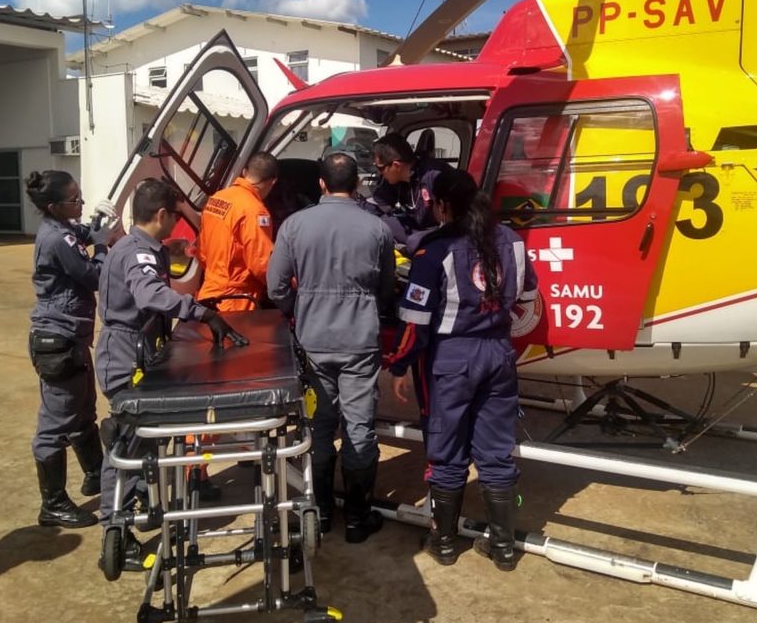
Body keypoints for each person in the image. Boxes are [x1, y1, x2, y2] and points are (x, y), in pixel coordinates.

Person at [386, 170, 538, 570]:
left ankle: (445, 544)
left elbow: (415, 321)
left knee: (446, 451)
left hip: (451, 359)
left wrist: (399, 364)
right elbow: (528, 294)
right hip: (499, 354)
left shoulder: (434, 250)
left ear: (441, 204)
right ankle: (504, 548)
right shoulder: (515, 242)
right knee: (495, 451)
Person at [96, 178, 240, 567]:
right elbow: (149, 295)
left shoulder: (143, 248)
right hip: (125, 356)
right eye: (174, 217)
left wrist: (169, 252)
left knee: (144, 442)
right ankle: (115, 528)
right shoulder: (137, 253)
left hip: (138, 350)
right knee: (126, 444)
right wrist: (202, 311)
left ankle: (138, 505)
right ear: (162, 215)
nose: (176, 224)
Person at [267, 153, 395, 543]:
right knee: (359, 427)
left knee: (319, 427)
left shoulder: (293, 225)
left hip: (313, 341)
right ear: (356, 184)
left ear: (321, 184)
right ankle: (357, 518)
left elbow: (275, 286)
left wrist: (299, 309)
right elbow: (387, 290)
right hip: (359, 341)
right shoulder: (377, 229)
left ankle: (320, 513)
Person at [25, 170, 118, 529]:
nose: (79, 204)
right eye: (74, 200)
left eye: (80, 197)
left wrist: (94, 223)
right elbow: (93, 274)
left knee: (82, 412)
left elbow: (81, 235)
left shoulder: (63, 229)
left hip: (73, 338)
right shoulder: (55, 239)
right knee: (55, 424)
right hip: (57, 340)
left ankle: (95, 472)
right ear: (53, 206)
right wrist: (105, 245)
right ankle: (53, 503)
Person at [196, 151, 279, 312]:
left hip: (208, 294)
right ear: (272, 182)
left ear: (244, 172)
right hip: (236, 301)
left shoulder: (217, 199)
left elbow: (202, 250)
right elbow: (261, 264)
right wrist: (289, 284)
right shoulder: (255, 211)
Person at [368, 132, 451, 247]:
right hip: (415, 226)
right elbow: (380, 201)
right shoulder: (395, 182)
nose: (379, 172)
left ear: (396, 165)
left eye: (380, 168)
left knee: (413, 240)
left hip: (441, 234)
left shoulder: (434, 176)